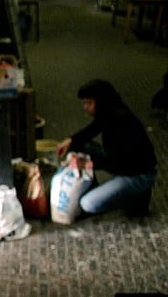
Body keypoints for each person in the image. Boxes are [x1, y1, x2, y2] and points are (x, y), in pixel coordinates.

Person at [55, 79, 157, 217]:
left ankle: (135, 198)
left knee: (88, 204)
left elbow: (121, 164)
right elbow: (92, 129)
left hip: (137, 173)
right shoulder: (109, 112)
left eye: (89, 103)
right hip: (119, 160)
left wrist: (88, 164)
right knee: (78, 145)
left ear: (101, 102)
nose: (85, 107)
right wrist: (70, 140)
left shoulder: (121, 122)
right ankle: (97, 187)